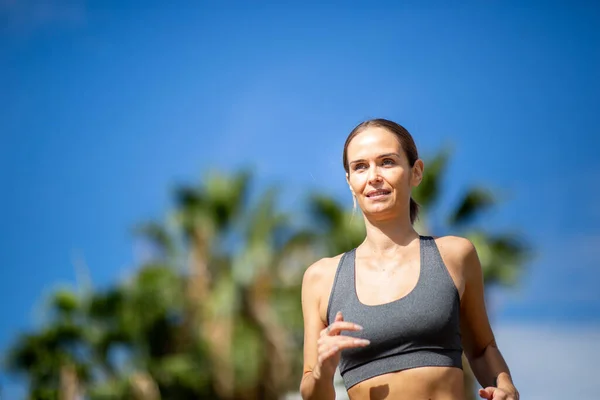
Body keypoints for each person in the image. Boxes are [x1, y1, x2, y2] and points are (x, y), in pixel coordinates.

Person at [299, 119, 519, 400]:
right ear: (350, 183)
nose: (374, 176)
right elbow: (311, 390)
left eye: (387, 162)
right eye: (360, 166)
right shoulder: (321, 278)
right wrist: (322, 371)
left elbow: (482, 348)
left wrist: (506, 387)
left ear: (416, 172)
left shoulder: (455, 255)